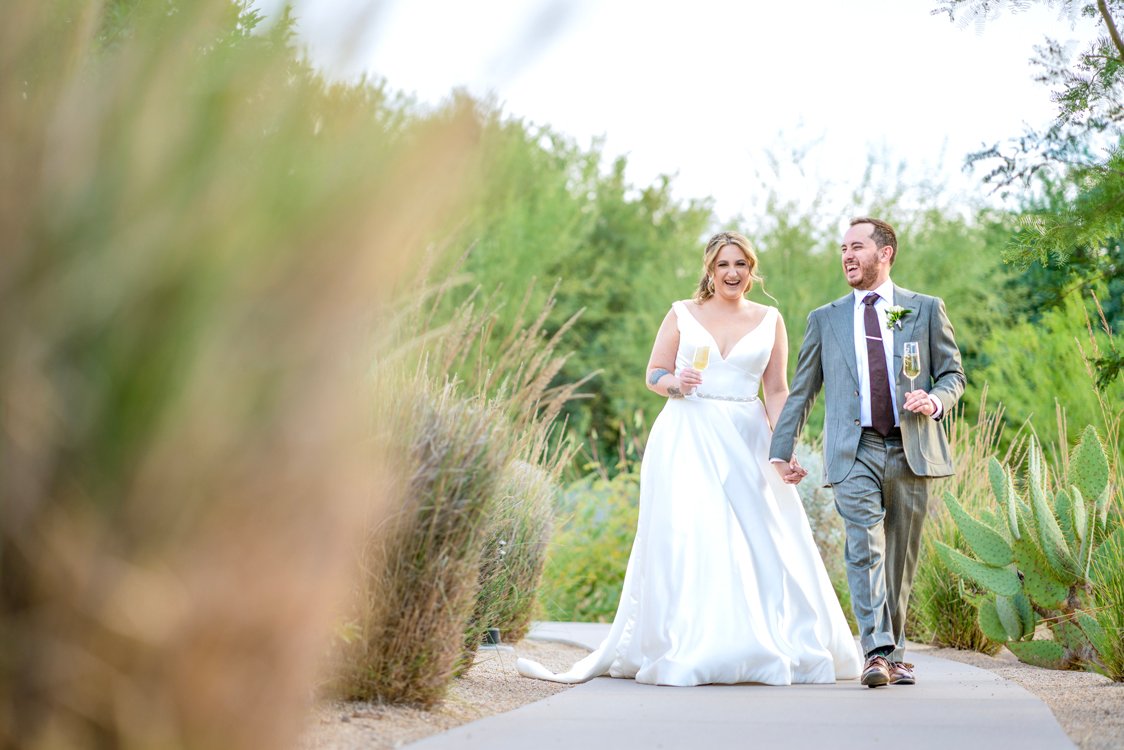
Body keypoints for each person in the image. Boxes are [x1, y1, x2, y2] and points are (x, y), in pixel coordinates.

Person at [517, 231, 861, 686]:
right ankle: (691, 642)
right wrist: (677, 384)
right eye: (723, 265)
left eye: (740, 264)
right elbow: (653, 374)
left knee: (761, 537)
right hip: (687, 431)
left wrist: (785, 448)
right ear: (710, 270)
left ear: (751, 269)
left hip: (746, 433)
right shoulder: (683, 313)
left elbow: (776, 390)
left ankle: (762, 640)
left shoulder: (769, 318)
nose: (732, 273)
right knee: (693, 534)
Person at [769, 217, 965, 688]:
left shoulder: (925, 309)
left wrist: (935, 400)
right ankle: (876, 652)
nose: (847, 256)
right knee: (864, 547)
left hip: (911, 448)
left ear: (886, 252)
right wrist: (782, 449)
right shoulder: (826, 318)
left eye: (857, 247)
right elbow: (801, 392)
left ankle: (895, 655)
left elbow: (953, 375)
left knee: (899, 557)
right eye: (842, 248)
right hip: (853, 450)